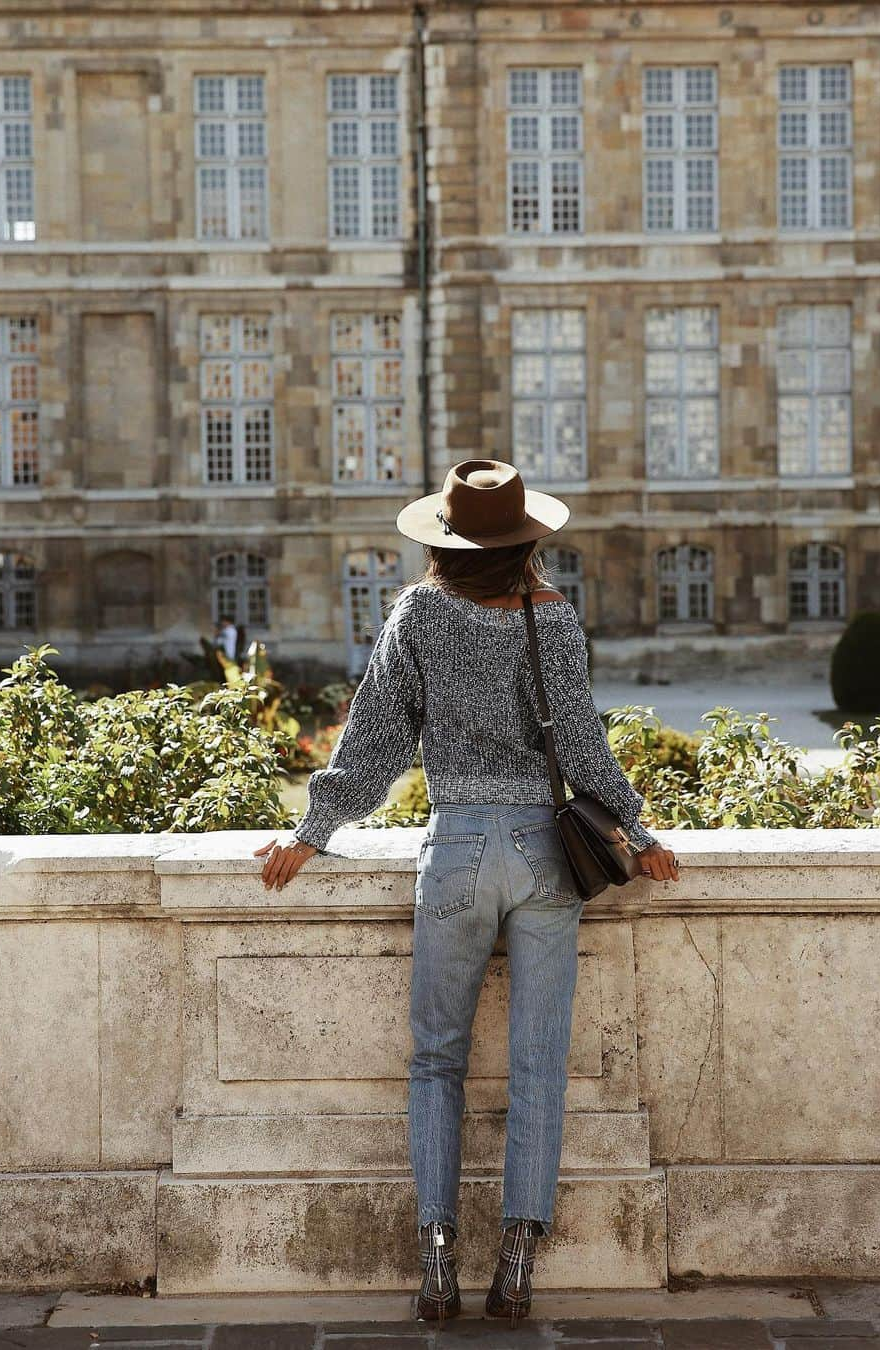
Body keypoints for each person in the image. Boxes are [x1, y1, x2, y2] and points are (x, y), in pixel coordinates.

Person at [255, 459, 680, 1325]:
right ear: (527, 538)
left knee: (438, 1061)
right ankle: (518, 1263)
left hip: (452, 851)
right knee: (536, 1067)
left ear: (446, 540)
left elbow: (374, 733)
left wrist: (311, 832)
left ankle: (438, 1261)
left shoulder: (416, 613)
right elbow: (588, 752)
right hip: (543, 859)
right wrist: (637, 832)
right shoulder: (552, 618)